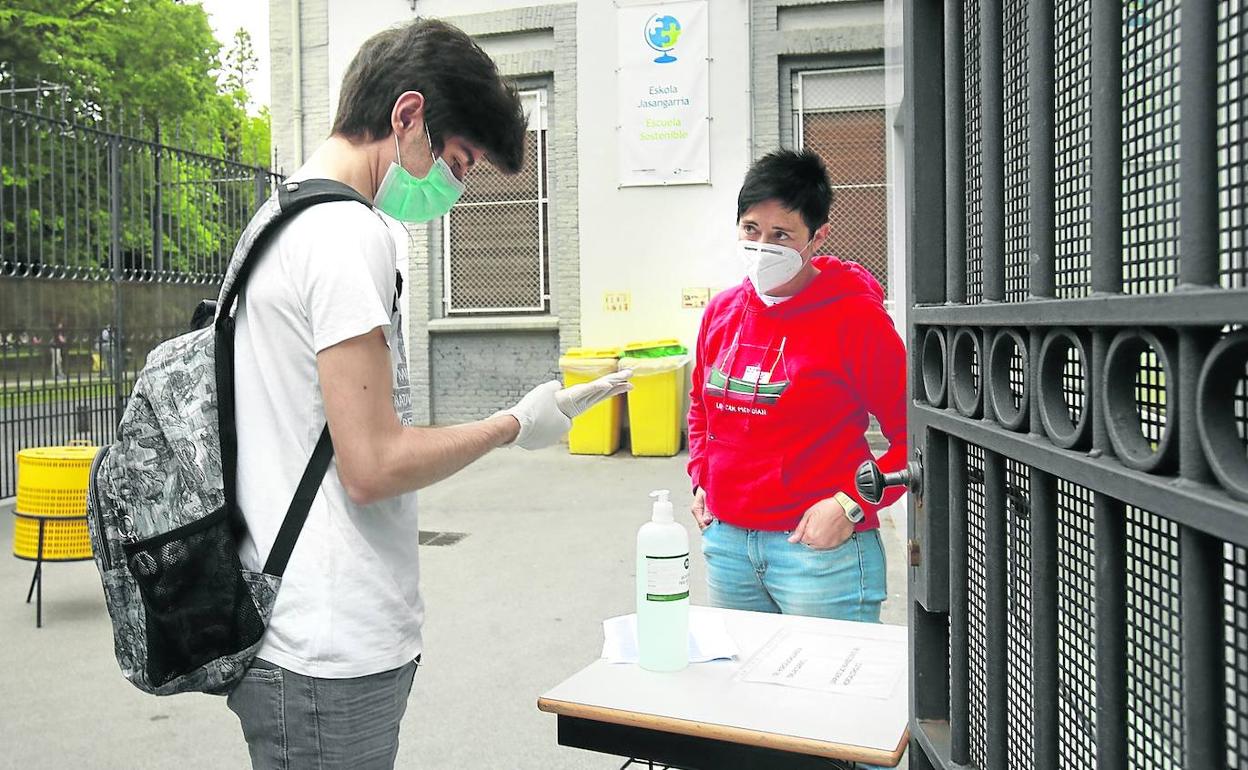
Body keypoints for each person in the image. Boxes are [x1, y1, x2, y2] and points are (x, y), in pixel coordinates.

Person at [225, 19, 630, 770]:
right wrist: (513, 424)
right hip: (328, 645)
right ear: (406, 115)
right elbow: (373, 463)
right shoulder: (346, 235)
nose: (456, 185)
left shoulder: (277, 220)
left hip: (288, 628)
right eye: (457, 159)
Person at [687, 149, 907, 623]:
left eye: (781, 235)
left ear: (818, 237)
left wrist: (849, 506)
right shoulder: (722, 313)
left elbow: (913, 438)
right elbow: (702, 410)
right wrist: (703, 476)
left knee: (827, 693)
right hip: (727, 547)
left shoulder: (856, 319)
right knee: (741, 690)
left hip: (819, 555)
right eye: (751, 229)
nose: (762, 245)